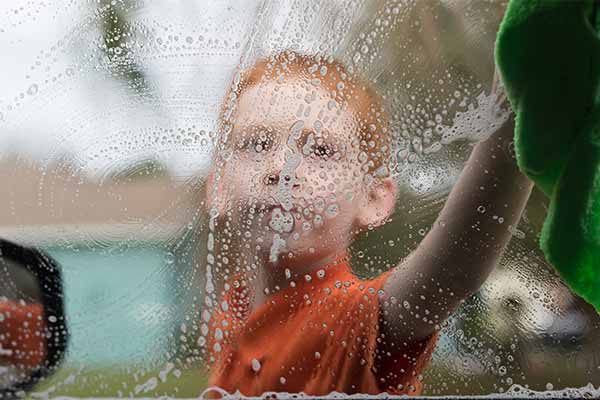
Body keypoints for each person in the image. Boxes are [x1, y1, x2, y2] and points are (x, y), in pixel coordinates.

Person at [202, 50, 532, 396]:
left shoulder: (349, 321)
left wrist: (517, 95)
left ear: (373, 200)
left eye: (319, 150)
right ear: (219, 187)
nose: (281, 170)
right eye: (257, 144)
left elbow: (452, 271)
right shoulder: (235, 307)